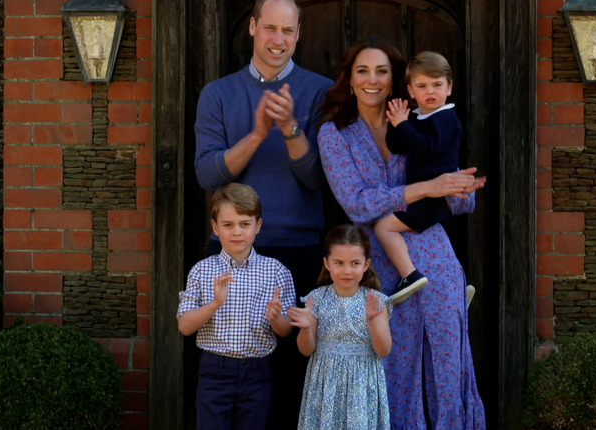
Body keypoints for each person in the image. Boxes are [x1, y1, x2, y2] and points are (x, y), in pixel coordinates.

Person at [317, 37, 487, 429]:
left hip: (434, 253)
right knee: (392, 365)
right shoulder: (335, 134)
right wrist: (426, 189)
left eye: (381, 72)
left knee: (447, 362)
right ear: (350, 78)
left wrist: (459, 189)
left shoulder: (421, 122)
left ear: (396, 82)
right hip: (378, 263)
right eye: (363, 71)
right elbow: (357, 203)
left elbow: (455, 197)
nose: (372, 80)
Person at [192, 0, 333, 426]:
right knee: (235, 378)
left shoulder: (320, 91)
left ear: (298, 35)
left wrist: (290, 128)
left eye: (287, 30)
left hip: (301, 251)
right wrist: (256, 134)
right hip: (234, 252)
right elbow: (207, 175)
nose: (278, 39)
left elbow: (317, 180)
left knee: (295, 375)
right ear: (252, 27)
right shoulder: (218, 93)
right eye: (269, 27)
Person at [177, 183, 296, 430]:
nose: (237, 232)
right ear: (215, 228)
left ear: (258, 226)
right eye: (228, 224)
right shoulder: (202, 270)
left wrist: (276, 318)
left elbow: (285, 331)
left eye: (245, 224)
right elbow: (185, 326)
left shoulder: (276, 271)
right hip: (214, 371)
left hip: (257, 371)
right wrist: (215, 303)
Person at [375, 51, 465, 304]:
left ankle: (409, 275)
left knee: (383, 227)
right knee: (428, 244)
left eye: (437, 85)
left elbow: (427, 149)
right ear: (411, 91)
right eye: (422, 86)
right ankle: (451, 289)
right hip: (421, 194)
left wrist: (404, 125)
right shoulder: (419, 117)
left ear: (449, 87)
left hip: (433, 198)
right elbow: (397, 146)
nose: (431, 91)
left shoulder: (446, 118)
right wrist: (396, 122)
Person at [288, 225, 392, 430]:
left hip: (362, 383)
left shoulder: (376, 301)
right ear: (327, 263)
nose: (347, 270)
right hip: (325, 383)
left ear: (366, 264)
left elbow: (383, 350)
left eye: (355, 263)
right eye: (339, 263)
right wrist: (307, 328)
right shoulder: (316, 299)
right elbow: (306, 349)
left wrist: (372, 320)